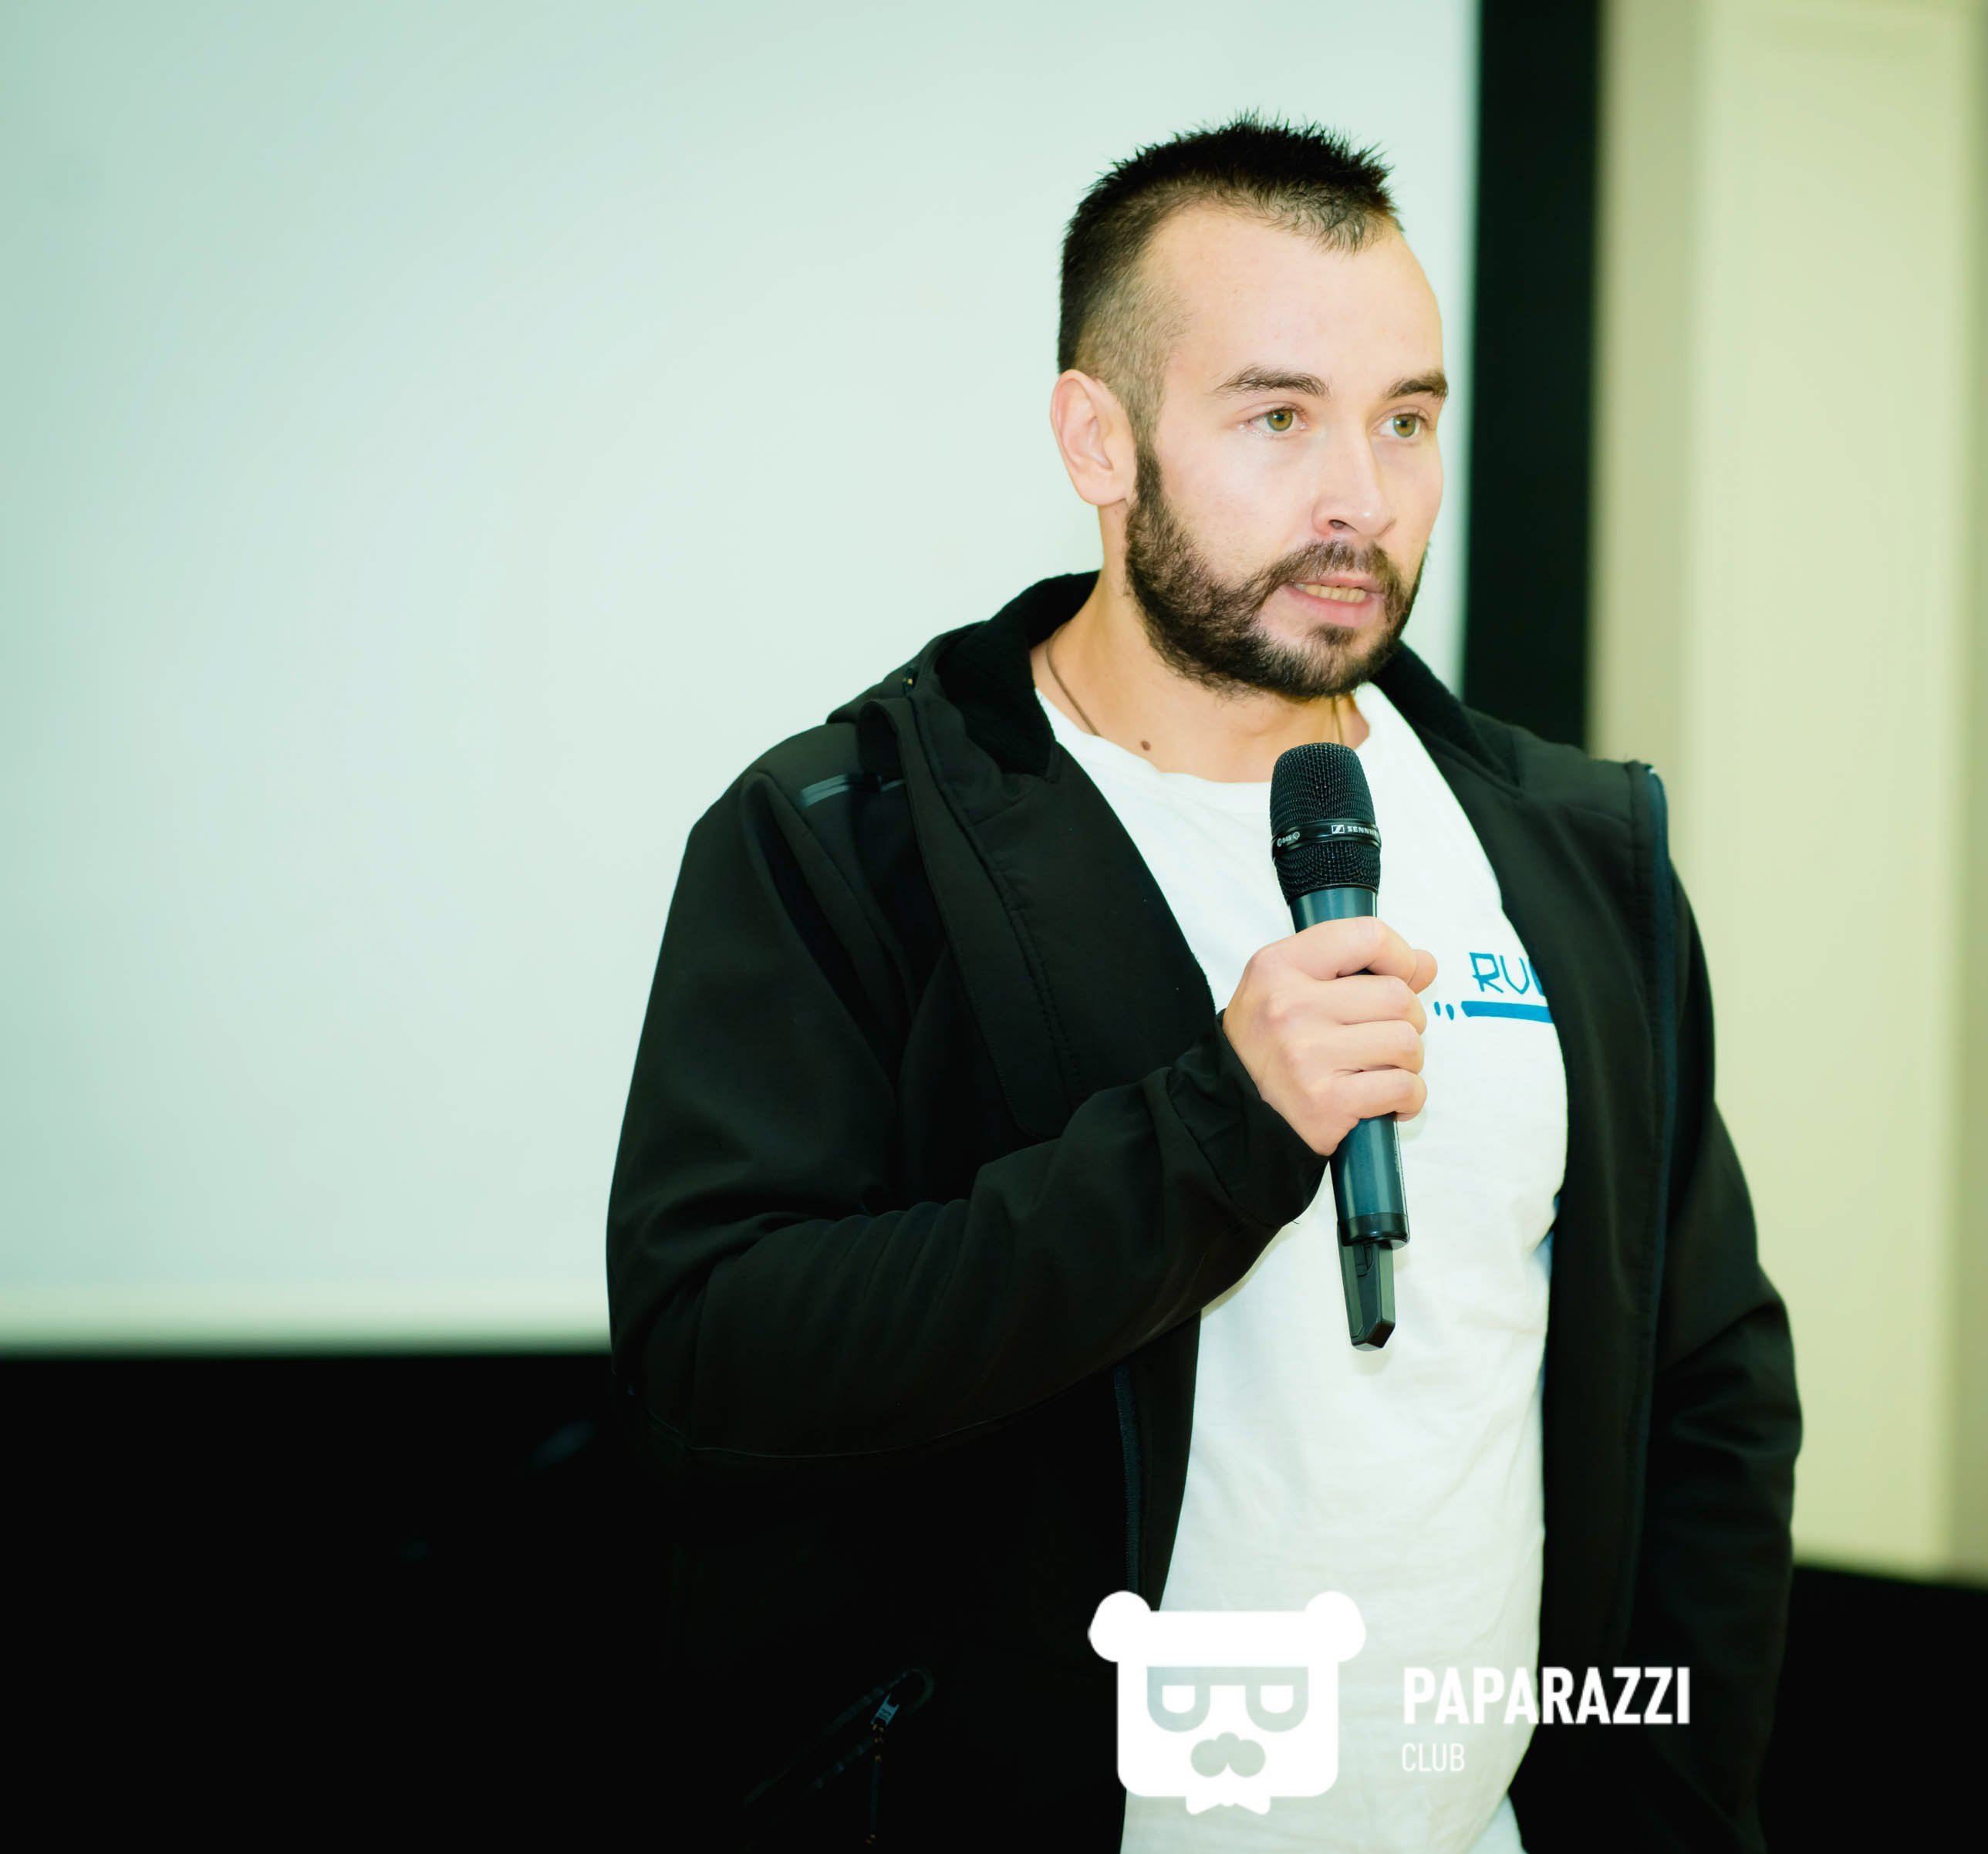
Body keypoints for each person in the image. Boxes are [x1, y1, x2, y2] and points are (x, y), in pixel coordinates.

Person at [606, 117, 1798, 1852]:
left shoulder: (1572, 848)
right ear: (1099, 438)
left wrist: (1673, 1812)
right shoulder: (852, 839)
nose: (1360, 497)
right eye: (1277, 417)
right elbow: (718, 1361)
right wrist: (1212, 1133)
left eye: (1406, 420)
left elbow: (1706, 1382)